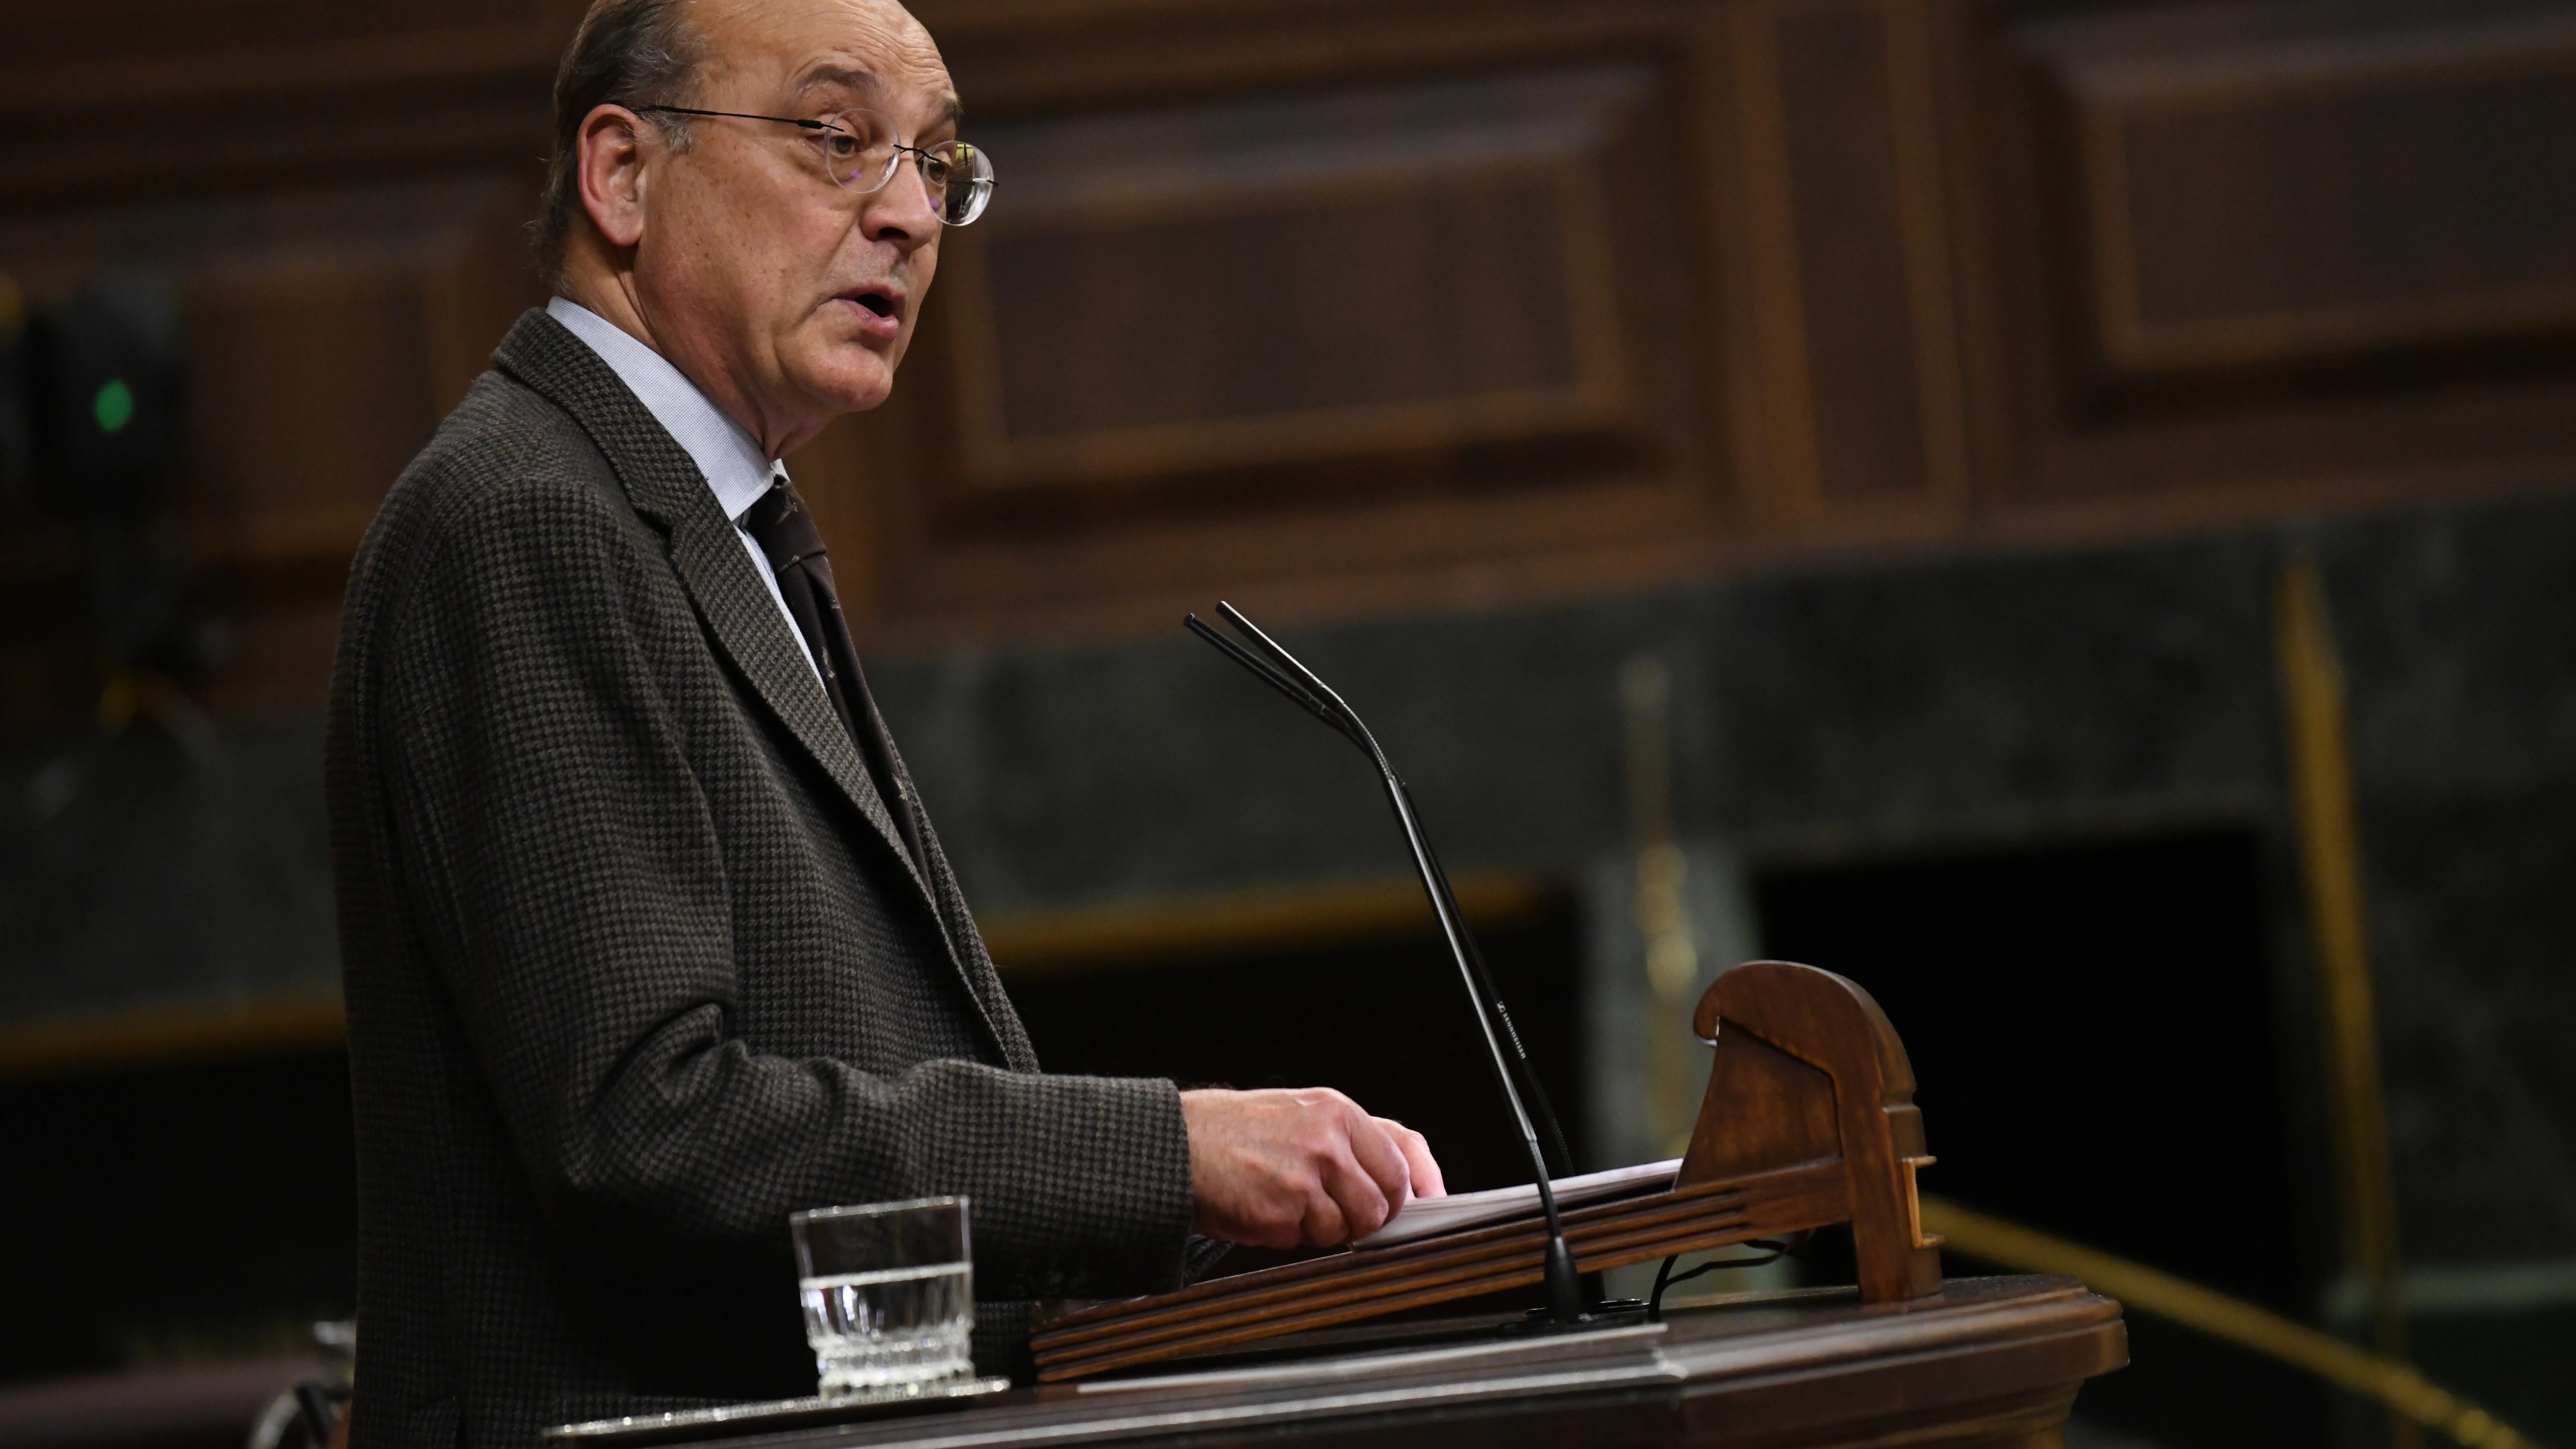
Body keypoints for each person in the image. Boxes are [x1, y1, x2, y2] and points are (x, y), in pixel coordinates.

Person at [323, 0, 1445, 1445]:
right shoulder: (524, 519)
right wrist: (1164, 1155)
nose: (911, 214)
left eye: (935, 163)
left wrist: (1206, 1244)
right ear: (621, 176)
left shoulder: (712, 522)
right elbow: (649, 1130)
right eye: (839, 141)